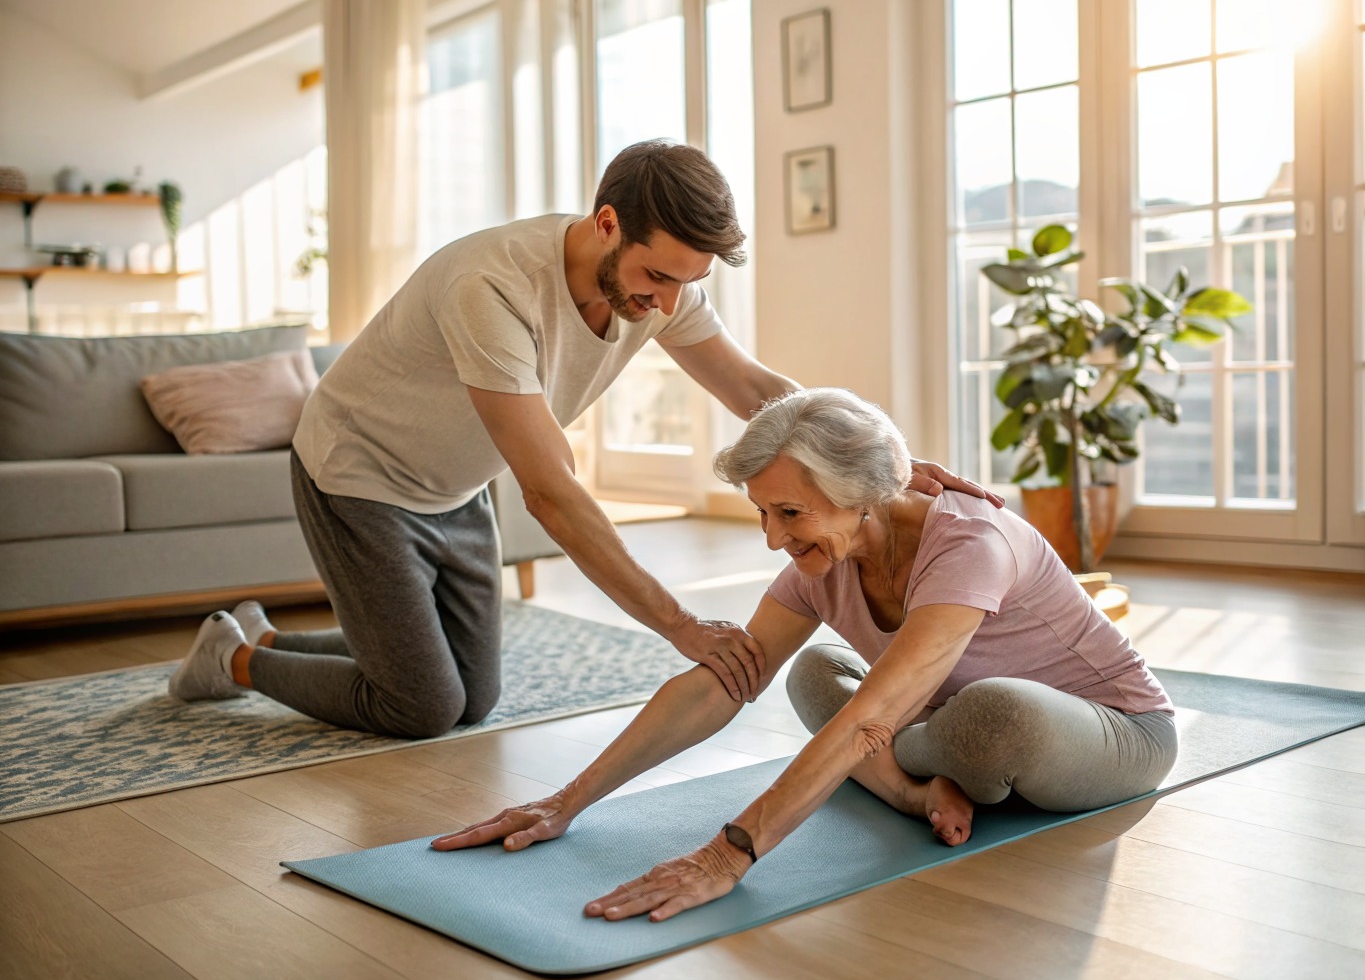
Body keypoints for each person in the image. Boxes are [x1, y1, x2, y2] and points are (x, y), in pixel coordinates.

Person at [167, 141, 993, 737]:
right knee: (421, 708)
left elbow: (753, 389)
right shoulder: (491, 286)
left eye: (688, 284)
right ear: (605, 224)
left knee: (473, 697)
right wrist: (678, 624)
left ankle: (276, 634)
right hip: (360, 473)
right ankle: (236, 659)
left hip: (455, 483)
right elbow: (552, 492)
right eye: (658, 277)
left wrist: (877, 460)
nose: (668, 304)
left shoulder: (661, 287)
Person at [433, 387, 1177, 924]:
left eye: (789, 512)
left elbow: (866, 720)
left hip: (1112, 734)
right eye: (762, 512)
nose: (770, 537)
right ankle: (919, 790)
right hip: (932, 717)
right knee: (814, 669)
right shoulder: (824, 562)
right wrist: (565, 800)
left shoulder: (969, 544)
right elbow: (719, 685)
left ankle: (904, 764)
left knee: (986, 711)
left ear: (863, 492)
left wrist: (728, 854)